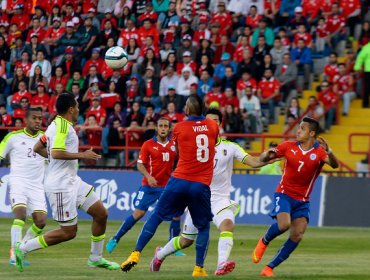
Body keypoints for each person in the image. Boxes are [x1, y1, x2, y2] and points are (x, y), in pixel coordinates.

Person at [149, 108, 268, 276]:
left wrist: (267, 158)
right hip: (198, 198)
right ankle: (159, 254)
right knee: (185, 241)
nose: (212, 124)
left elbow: (253, 162)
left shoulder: (230, 147)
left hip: (221, 199)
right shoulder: (194, 147)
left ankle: (221, 264)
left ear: (220, 125)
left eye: (215, 121)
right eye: (208, 121)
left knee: (228, 225)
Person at [14, 93, 119, 272]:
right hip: (60, 186)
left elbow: (38, 147)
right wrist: (82, 155)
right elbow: (56, 153)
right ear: (71, 109)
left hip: (72, 181)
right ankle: (23, 248)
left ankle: (96, 258)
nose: (79, 109)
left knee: (101, 213)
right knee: (68, 232)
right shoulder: (62, 126)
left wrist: (56, 161)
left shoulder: (55, 124)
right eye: (77, 106)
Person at [120, 95, 219, 276]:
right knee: (203, 227)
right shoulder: (213, 126)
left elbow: (178, 152)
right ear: (204, 109)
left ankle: (135, 253)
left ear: (187, 110)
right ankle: (198, 268)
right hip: (200, 184)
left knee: (157, 215)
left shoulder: (180, 127)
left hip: (179, 180)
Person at [251, 117, 339, 277]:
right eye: (298, 128)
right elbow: (264, 158)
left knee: (297, 234)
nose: (298, 131)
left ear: (312, 133)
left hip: (303, 200)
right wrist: (267, 154)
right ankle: (264, 241)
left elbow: (334, 165)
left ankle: (269, 267)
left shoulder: (319, 151)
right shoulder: (287, 146)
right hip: (284, 194)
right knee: (284, 225)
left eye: (302, 128)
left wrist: (330, 152)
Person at [105, 118, 182, 254]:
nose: (163, 128)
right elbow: (140, 165)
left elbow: (181, 160)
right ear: (156, 129)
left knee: (176, 214)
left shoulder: (174, 145)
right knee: (138, 213)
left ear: (169, 129)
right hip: (149, 187)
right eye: (160, 126)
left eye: (165, 126)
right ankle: (116, 238)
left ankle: (173, 247)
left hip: (167, 187)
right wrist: (148, 176)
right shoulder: (148, 144)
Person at [0, 108, 47, 266]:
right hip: (18, 182)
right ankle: (14, 254)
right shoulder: (13, 137)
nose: (38, 121)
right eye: (34, 118)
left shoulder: (45, 139)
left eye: (40, 118)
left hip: (37, 186)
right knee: (20, 216)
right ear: (26, 120)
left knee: (40, 222)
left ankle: (21, 247)